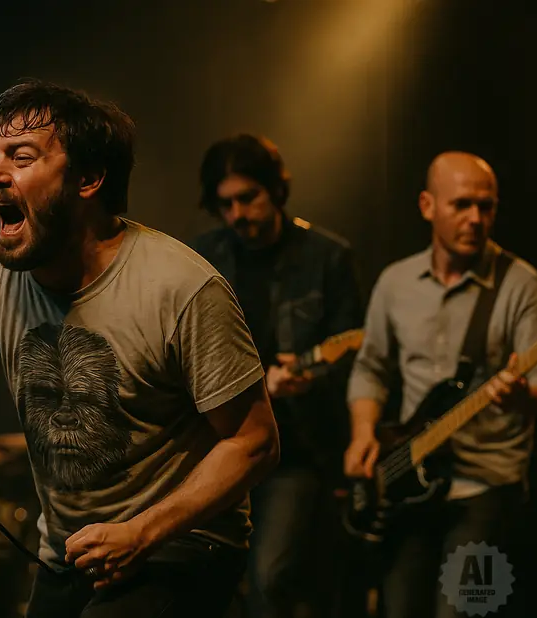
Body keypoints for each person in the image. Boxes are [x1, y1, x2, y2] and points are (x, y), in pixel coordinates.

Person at [0, 79, 280, 618]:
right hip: (68, 554)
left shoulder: (180, 286)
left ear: (88, 178)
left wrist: (141, 531)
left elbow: (254, 441)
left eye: (22, 157)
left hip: (181, 547)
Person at [344, 151, 537, 618]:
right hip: (410, 478)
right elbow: (371, 369)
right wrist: (363, 434)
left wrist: (522, 396)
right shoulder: (396, 282)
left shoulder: (521, 285)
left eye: (487, 206)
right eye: (462, 205)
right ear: (427, 205)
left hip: (486, 488)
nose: (476, 218)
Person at [189, 134, 363, 618]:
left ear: (277, 190)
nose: (237, 214)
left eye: (248, 198)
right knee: (208, 581)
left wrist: (312, 378)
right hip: (214, 446)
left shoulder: (326, 256)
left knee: (270, 579)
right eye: (225, 204)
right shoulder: (201, 257)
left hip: (294, 450)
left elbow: (356, 353)